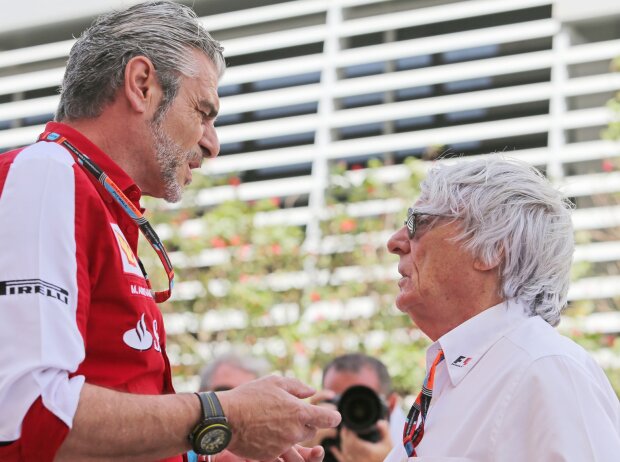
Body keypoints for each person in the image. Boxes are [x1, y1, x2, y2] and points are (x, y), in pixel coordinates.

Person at [0, 2, 340, 461]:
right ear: (142, 85)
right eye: (204, 112)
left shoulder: (92, 197)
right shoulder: (47, 173)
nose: (211, 143)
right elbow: (26, 416)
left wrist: (209, 453)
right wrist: (224, 418)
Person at [384, 156, 620, 461]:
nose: (395, 241)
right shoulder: (466, 376)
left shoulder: (545, 366)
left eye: (418, 221)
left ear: (493, 248)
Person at [303, 353, 407, 462]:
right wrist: (302, 452)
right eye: (339, 402)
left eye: (362, 401)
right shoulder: (316, 445)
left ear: (391, 404)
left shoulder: (414, 447)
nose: (349, 412)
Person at [188, 352, 272, 462]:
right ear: (200, 394)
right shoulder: (174, 451)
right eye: (224, 392)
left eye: (248, 398)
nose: (235, 405)